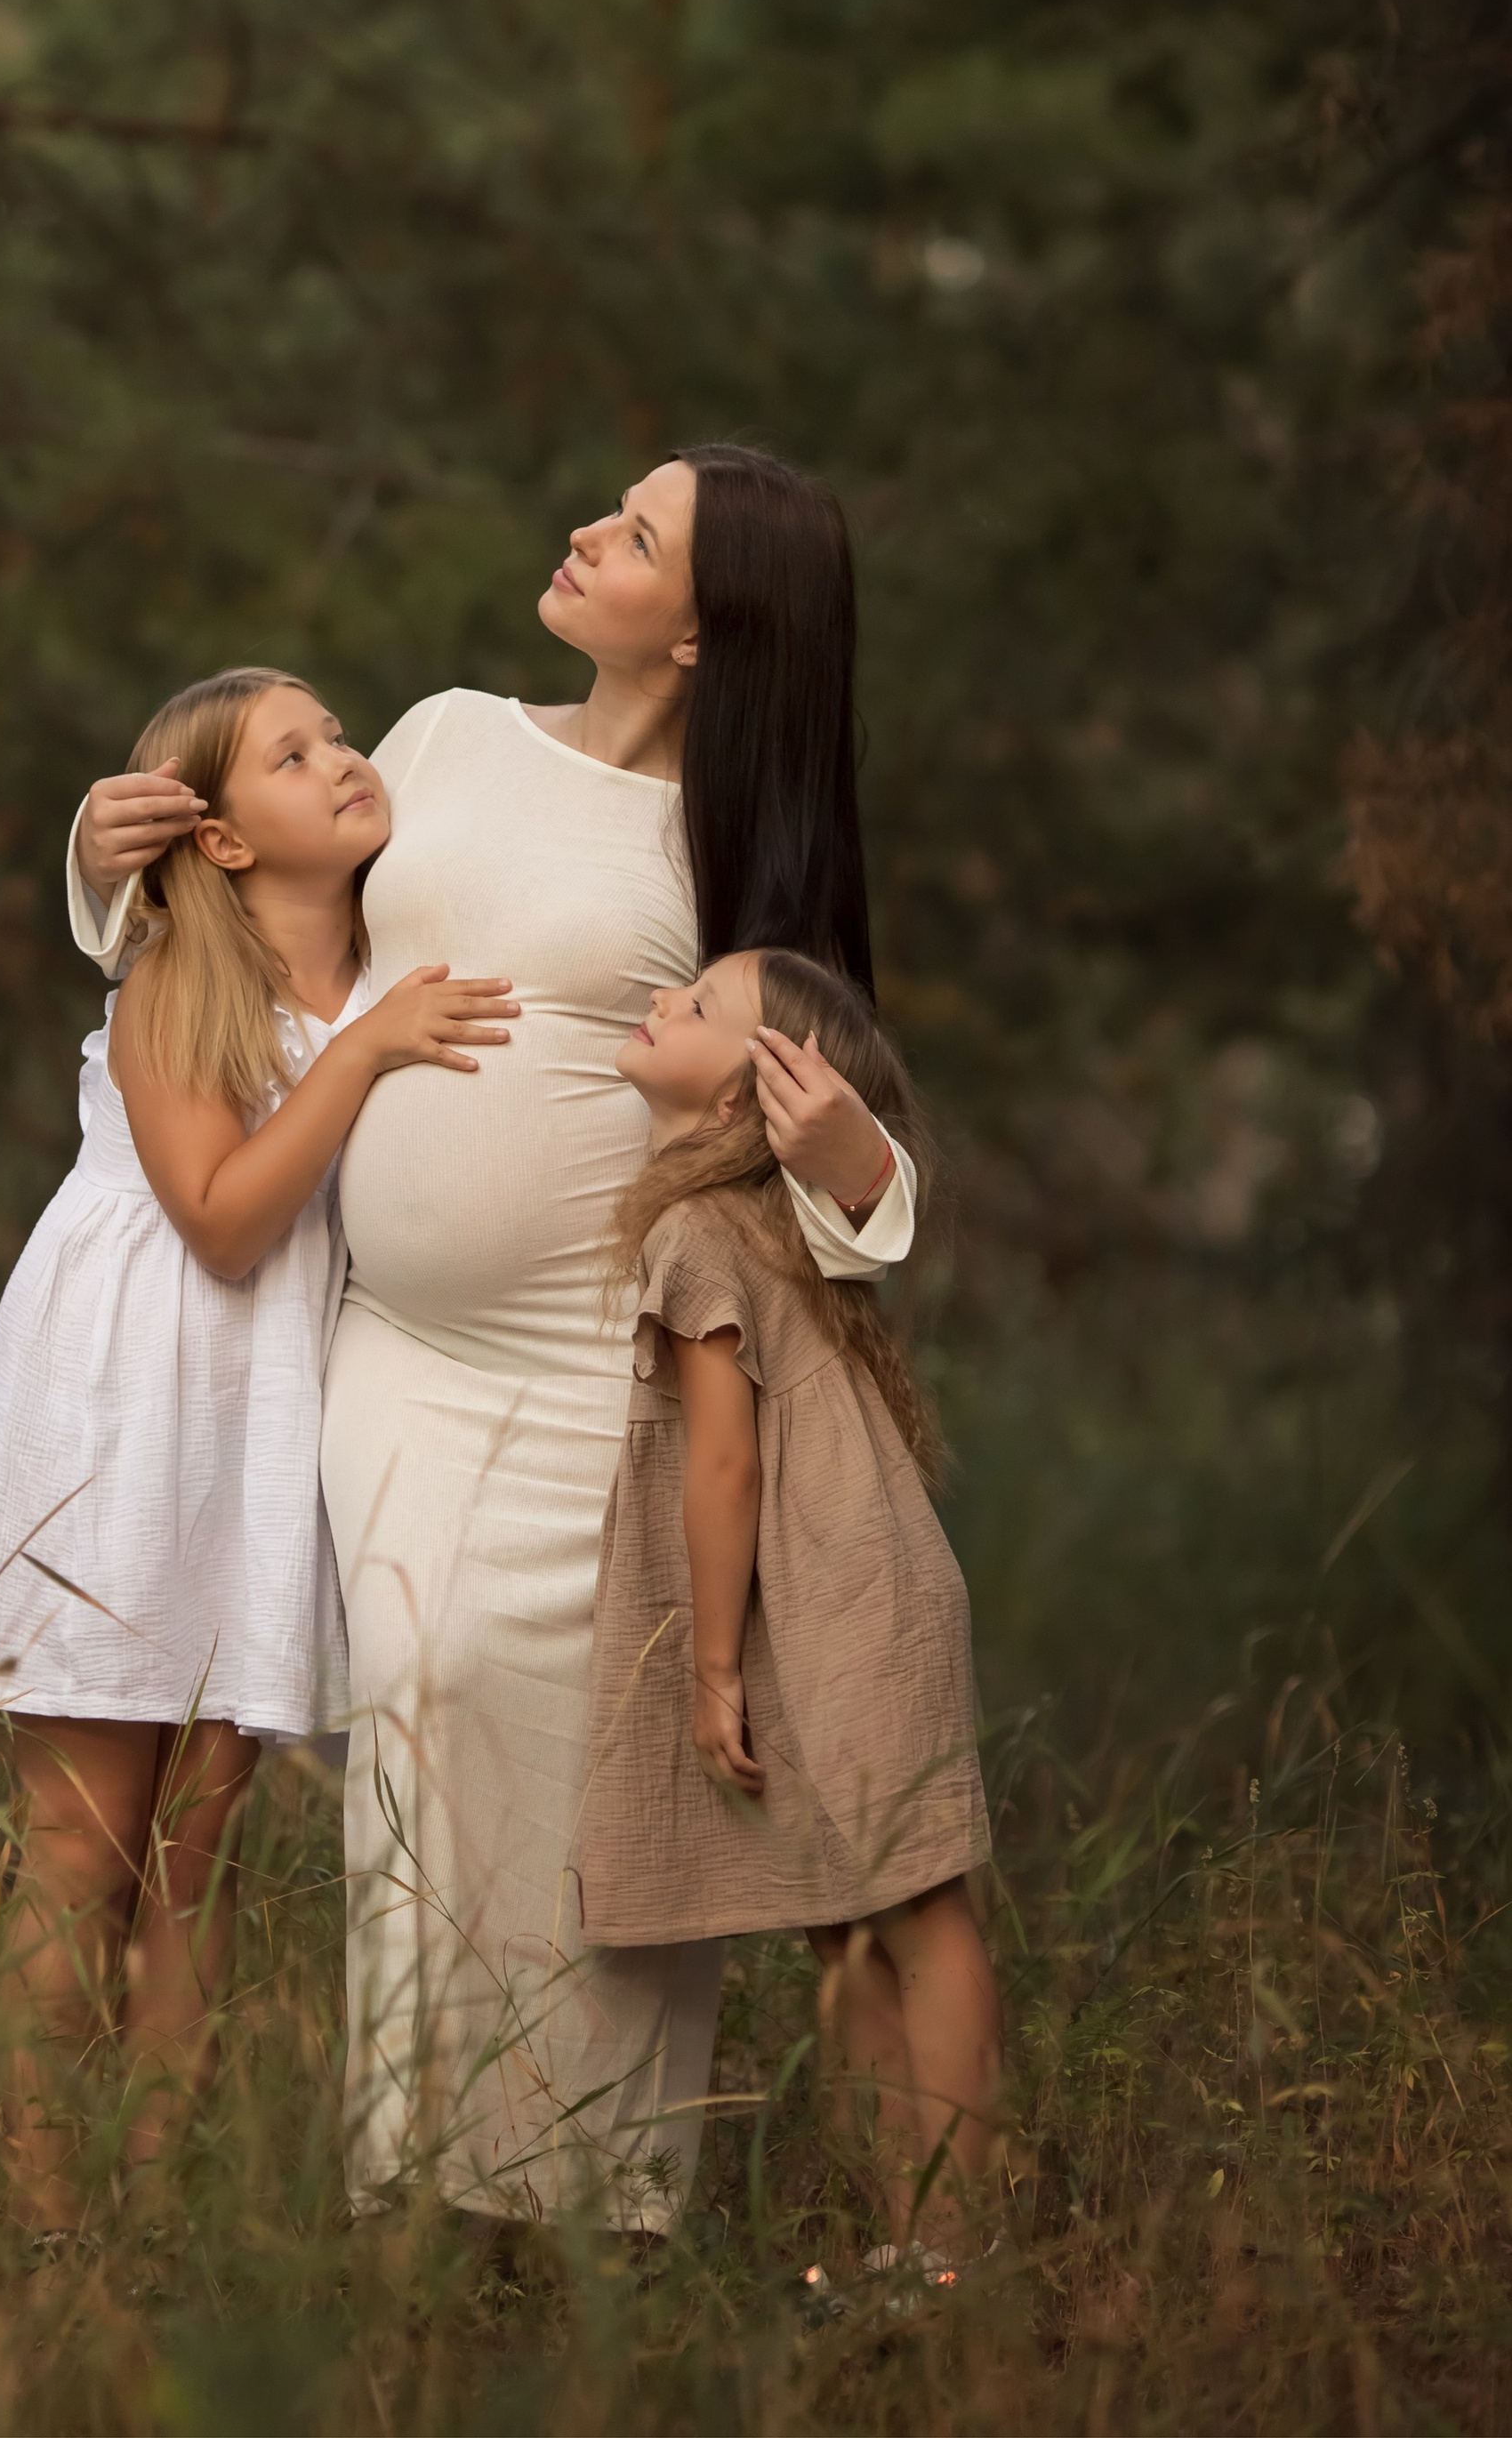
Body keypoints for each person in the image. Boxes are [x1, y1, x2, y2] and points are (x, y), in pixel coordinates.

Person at [68, 444, 917, 2233]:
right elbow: (257, 909)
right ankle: (416, 2190)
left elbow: (826, 1118)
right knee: (424, 1715)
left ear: (701, 631)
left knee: (597, 1775)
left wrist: (861, 1181)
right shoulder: (446, 731)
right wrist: (98, 870)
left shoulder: (736, 842)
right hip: (391, 1356)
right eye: (609, 509)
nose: (583, 532)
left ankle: (590, 2206)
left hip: (591, 1378)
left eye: (635, 535)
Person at [0, 665, 512, 2228]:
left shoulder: (390, 968)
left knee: (202, 1845)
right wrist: (366, 1052)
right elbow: (230, 1221)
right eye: (292, 752)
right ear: (228, 840)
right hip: (128, 1404)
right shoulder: (173, 985)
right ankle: (44, 2224)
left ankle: (156, 2209)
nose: (342, 758)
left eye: (338, 732)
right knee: (83, 1841)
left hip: (267, 1420)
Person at [578, 942, 1000, 2285]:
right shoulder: (739, 1218)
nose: (663, 999)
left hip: (849, 1598)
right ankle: (911, 2237)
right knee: (846, 1920)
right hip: (831, 1595)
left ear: (737, 1106)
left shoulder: (709, 1226)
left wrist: (709, 1667)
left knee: (918, 1911)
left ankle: (957, 2245)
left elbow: (724, 1463)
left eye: (699, 1005)